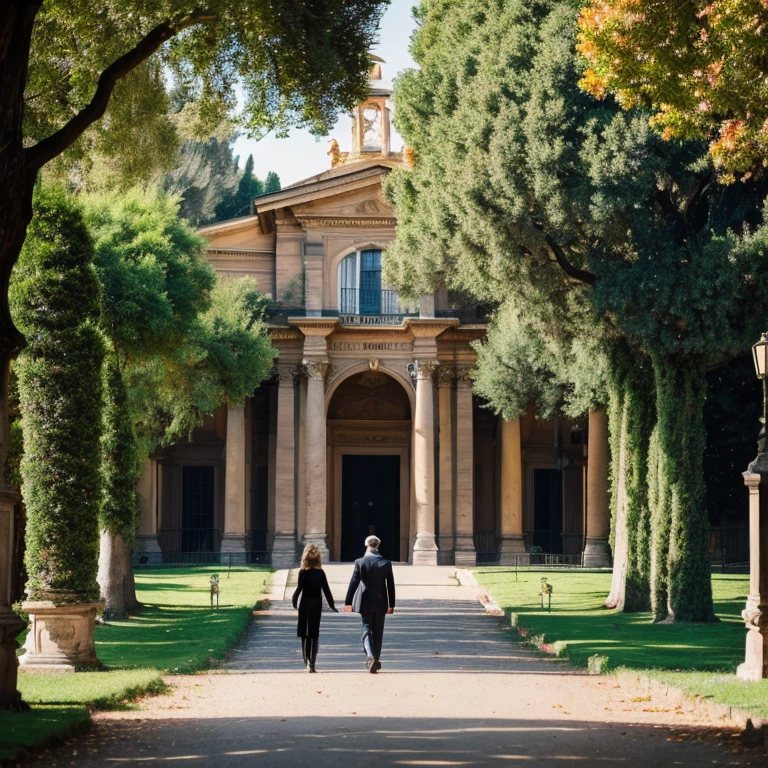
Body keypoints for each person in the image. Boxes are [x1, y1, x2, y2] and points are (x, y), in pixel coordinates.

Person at [343, 535, 395, 674]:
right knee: (378, 632)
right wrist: (391, 604)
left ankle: (370, 656)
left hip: (364, 601)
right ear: (378, 546)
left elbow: (354, 582)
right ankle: (376, 659)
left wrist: (348, 602)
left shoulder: (360, 562)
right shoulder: (386, 563)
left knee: (366, 628)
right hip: (380, 601)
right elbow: (390, 585)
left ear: (367, 545)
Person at [292, 543, 337, 672]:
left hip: (305, 603)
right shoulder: (320, 573)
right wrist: (332, 605)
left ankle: (306, 660)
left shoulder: (303, 572)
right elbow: (326, 590)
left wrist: (294, 601)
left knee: (304, 633)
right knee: (314, 633)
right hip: (316, 604)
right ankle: (312, 662)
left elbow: (299, 589)